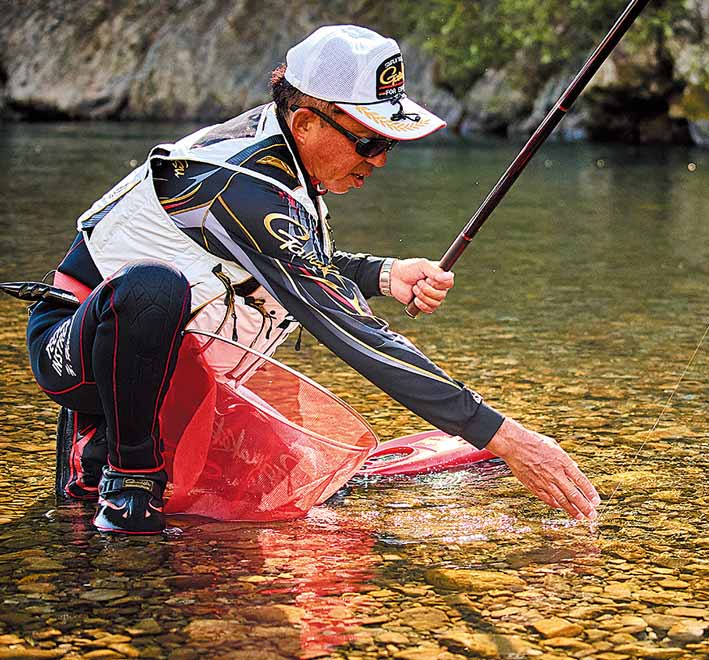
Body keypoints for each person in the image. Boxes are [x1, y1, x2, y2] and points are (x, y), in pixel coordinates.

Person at [25, 25, 600, 534]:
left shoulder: (285, 164)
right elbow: (353, 333)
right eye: (370, 141)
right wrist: (505, 436)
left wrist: (385, 274)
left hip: (171, 366)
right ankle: (129, 481)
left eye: (389, 142)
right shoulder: (243, 186)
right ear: (305, 121)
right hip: (75, 354)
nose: (380, 160)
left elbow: (296, 264)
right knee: (153, 289)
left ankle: (145, 448)